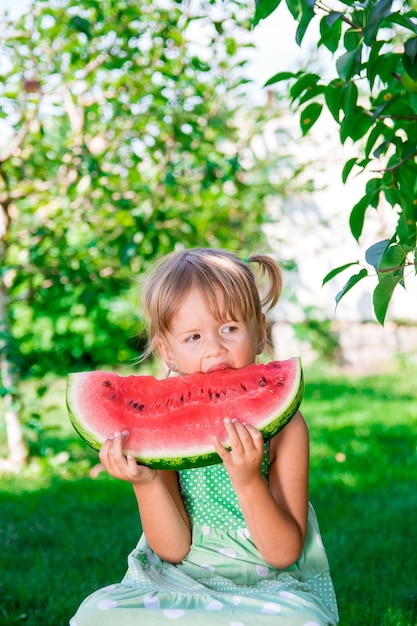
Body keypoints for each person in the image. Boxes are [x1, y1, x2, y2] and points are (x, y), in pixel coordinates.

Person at [70, 247, 339, 626]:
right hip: (180, 580)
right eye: (193, 336)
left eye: (229, 328)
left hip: (270, 587)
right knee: (94, 615)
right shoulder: (158, 426)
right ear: (167, 351)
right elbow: (173, 549)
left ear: (260, 333)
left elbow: (283, 553)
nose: (214, 348)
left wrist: (247, 480)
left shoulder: (287, 427)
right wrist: (145, 484)